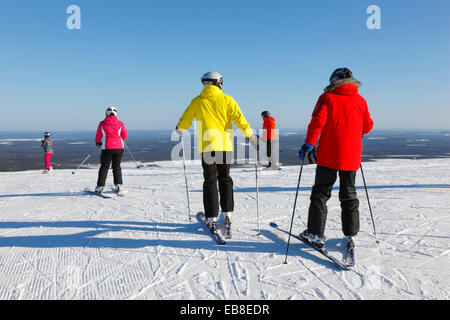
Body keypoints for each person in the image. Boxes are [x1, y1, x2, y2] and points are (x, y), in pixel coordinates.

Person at [298, 68, 374, 249]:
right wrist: (354, 134)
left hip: (329, 156)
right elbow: (368, 125)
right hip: (352, 156)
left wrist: (309, 143)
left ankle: (315, 234)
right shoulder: (360, 100)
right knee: (349, 194)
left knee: (321, 193)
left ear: (333, 81)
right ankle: (351, 234)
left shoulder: (327, 98)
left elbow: (318, 122)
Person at [176, 72, 259, 232]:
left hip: (207, 147)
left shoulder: (197, 101)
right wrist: (250, 137)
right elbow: (240, 120)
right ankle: (227, 213)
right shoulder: (227, 99)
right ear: (218, 82)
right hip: (224, 146)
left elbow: (185, 119)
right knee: (225, 179)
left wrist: (180, 129)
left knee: (210, 181)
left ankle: (211, 217)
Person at [94, 106, 128, 194]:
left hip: (107, 148)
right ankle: (118, 185)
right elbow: (125, 136)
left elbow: (98, 135)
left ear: (106, 113)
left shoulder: (102, 123)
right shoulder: (120, 123)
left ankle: (100, 187)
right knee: (116, 166)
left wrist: (98, 142)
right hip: (119, 148)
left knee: (104, 167)